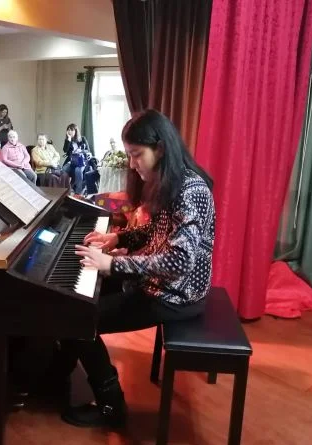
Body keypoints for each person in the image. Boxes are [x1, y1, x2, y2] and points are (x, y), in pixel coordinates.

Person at [54, 109, 215, 428]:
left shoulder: (190, 191)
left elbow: (179, 261)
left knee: (77, 317)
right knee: (75, 299)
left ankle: (111, 407)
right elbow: (158, 231)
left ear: (161, 149)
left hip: (174, 295)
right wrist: (117, 237)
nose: (132, 163)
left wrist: (112, 264)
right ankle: (56, 372)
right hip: (157, 282)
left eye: (136, 154)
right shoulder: (174, 182)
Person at [61, 123, 91, 193]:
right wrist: (68, 140)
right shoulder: (68, 140)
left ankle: (78, 192)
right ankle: (67, 189)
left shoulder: (82, 139)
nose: (69, 131)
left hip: (81, 160)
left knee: (78, 170)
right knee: (64, 170)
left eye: (71, 130)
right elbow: (65, 150)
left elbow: (88, 150)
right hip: (71, 160)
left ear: (76, 131)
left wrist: (81, 151)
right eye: (68, 130)